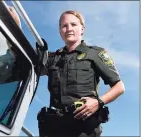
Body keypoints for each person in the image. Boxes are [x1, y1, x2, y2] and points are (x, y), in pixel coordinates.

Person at [10, 7, 125, 137]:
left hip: (84, 128)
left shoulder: (95, 53)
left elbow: (119, 87)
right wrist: (14, 27)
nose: (69, 28)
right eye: (64, 26)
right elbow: (25, 61)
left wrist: (98, 102)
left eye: (73, 24)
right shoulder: (52, 58)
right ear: (60, 32)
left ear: (82, 29)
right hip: (55, 128)